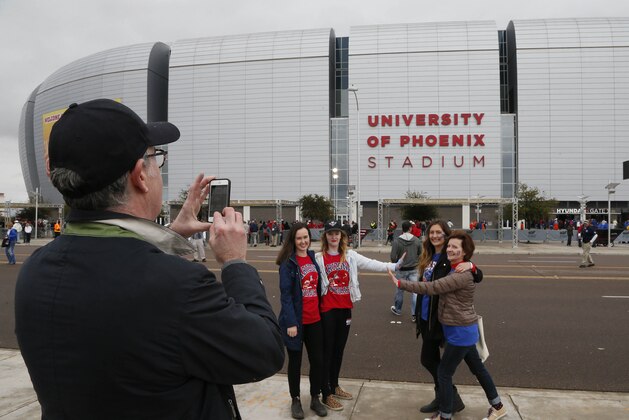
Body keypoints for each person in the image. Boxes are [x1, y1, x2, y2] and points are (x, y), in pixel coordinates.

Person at [14, 99, 284, 420]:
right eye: (156, 157)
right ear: (140, 176)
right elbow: (264, 350)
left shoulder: (35, 271)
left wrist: (171, 234)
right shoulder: (177, 286)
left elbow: (115, 271)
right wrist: (235, 263)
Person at [389, 231, 506, 420]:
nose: (450, 249)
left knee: (444, 373)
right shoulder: (456, 268)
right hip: (461, 331)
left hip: (460, 332)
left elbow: (433, 287)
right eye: (449, 246)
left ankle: (445, 415)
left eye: (455, 247)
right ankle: (498, 406)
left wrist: (401, 283)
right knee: (478, 369)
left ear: (465, 252)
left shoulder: (461, 274)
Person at [314, 220, 401, 411]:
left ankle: (335, 385)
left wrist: (394, 266)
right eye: (330, 233)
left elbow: (372, 263)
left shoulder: (350, 256)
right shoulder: (318, 258)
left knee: (339, 350)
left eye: (337, 233)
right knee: (327, 352)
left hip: (345, 309)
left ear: (342, 236)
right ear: (325, 236)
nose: (334, 237)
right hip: (327, 310)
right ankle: (325, 393)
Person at [413, 220, 483, 414]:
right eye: (431, 233)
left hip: (440, 318)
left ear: (446, 235)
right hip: (426, 315)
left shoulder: (450, 255)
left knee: (429, 359)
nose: (435, 236)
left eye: (439, 233)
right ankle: (445, 397)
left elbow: (477, 276)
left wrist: (472, 265)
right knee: (433, 359)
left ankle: (449, 398)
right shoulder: (428, 255)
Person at [276, 222, 327, 419]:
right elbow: (286, 295)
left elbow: (316, 288)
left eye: (305, 237)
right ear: (293, 240)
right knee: (295, 362)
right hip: (296, 322)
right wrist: (290, 323)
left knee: (318, 361)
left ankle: (315, 397)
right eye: (299, 238)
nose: (303, 241)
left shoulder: (313, 258)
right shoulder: (288, 262)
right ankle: (295, 399)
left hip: (315, 319)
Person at [390, 220, 422, 320]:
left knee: (400, 290)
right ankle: (415, 314)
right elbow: (421, 254)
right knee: (415, 291)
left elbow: (393, 257)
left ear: (402, 228)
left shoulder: (397, 241)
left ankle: (398, 309)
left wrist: (397, 262)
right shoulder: (417, 240)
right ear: (410, 228)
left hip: (401, 269)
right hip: (414, 268)